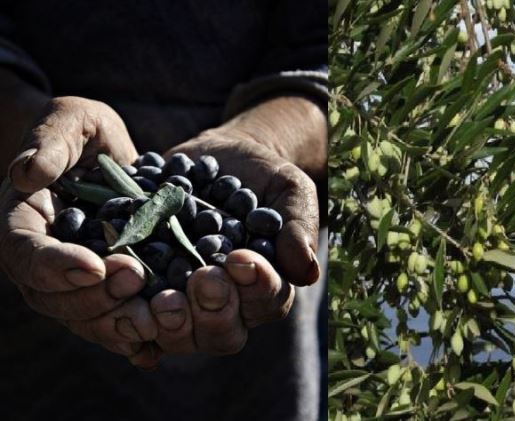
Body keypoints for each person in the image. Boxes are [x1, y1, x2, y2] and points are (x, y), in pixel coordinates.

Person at [0, 2, 327, 420]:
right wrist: (32, 137)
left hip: (258, 364)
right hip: (29, 337)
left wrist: (267, 139)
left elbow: (326, 63)